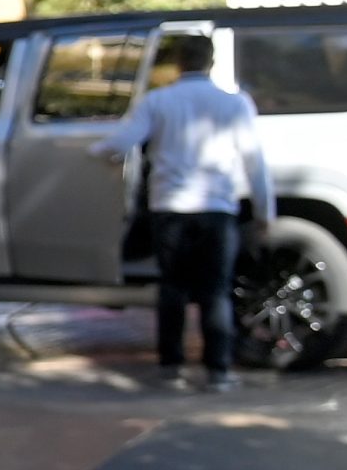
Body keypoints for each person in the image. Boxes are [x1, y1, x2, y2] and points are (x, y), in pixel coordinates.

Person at [93, 33, 274, 390]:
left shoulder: (158, 101)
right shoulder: (235, 104)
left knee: (172, 287)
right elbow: (255, 164)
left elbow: (122, 143)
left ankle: (171, 368)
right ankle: (218, 371)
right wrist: (266, 213)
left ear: (178, 62)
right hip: (217, 208)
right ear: (211, 61)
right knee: (215, 291)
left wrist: (87, 153)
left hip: (170, 207)